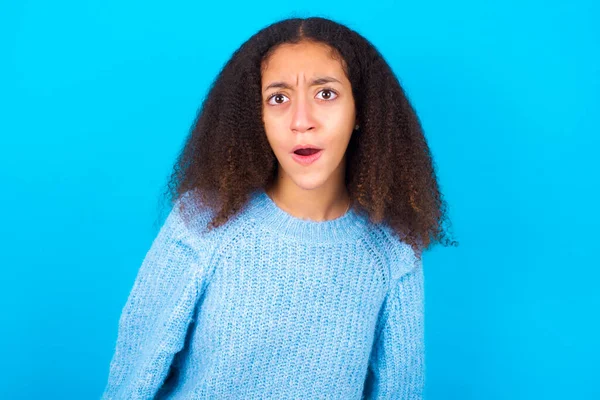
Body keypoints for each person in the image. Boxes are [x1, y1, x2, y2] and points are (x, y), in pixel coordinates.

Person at [101, 16, 456, 400]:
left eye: (325, 94)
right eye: (279, 98)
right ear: (257, 118)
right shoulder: (205, 220)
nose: (301, 122)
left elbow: (399, 391)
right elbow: (135, 373)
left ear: (361, 112)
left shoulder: (393, 248)